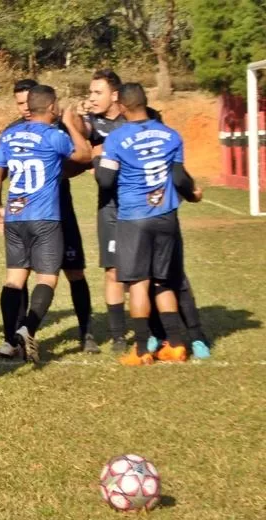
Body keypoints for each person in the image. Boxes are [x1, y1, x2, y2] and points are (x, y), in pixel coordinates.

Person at [82, 69, 211, 358]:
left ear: (123, 107)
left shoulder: (117, 138)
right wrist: (192, 194)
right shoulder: (170, 134)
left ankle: (141, 348)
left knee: (138, 282)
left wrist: (99, 158)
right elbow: (179, 179)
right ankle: (177, 345)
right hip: (166, 216)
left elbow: (105, 181)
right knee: (165, 280)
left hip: (133, 218)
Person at [0, 85, 93, 364]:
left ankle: (9, 342)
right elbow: (85, 155)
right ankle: (28, 329)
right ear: (51, 108)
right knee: (46, 278)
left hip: (15, 215)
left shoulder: (9, 135)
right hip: (45, 217)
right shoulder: (54, 135)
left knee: (14, 278)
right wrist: (71, 123)